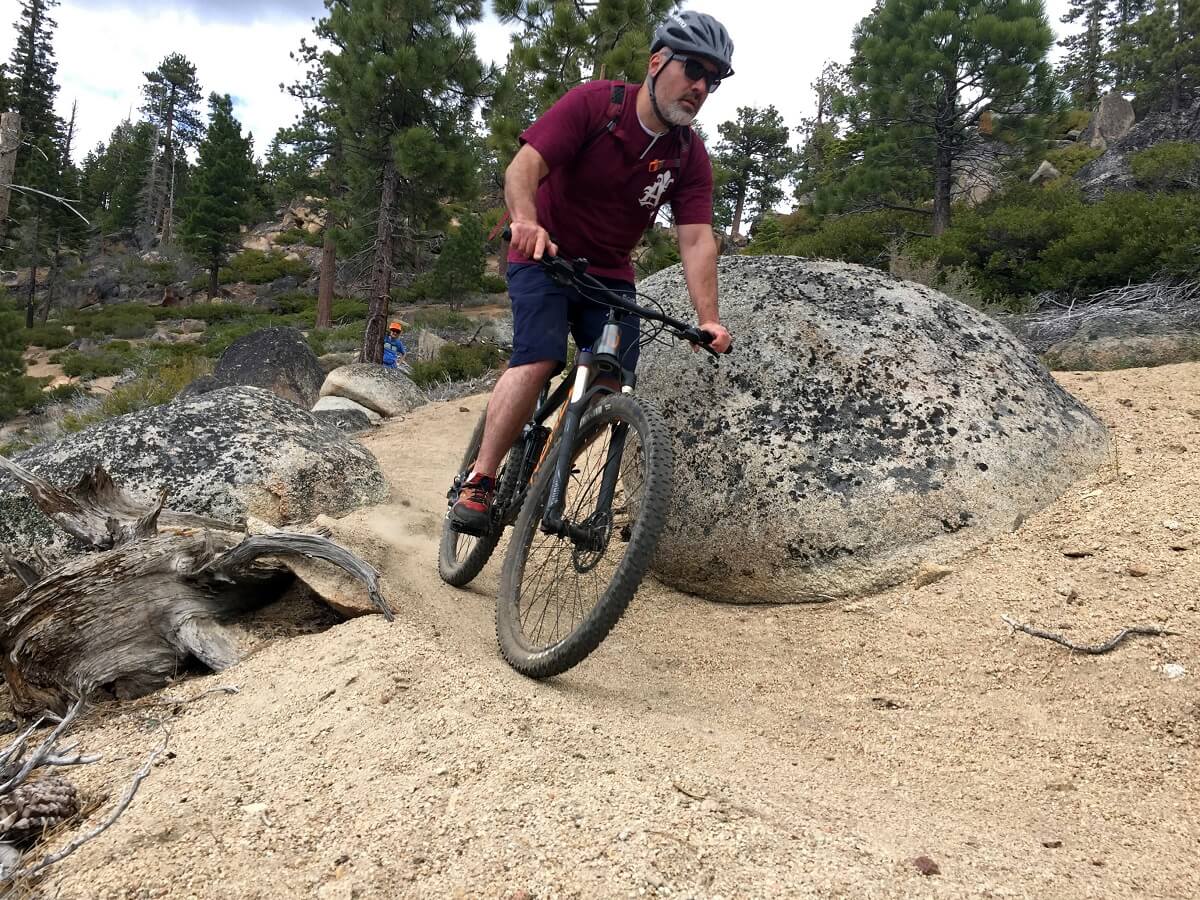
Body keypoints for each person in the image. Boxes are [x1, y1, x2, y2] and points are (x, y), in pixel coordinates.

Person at [450, 10, 735, 535]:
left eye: (711, 80)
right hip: (544, 252)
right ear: (656, 62)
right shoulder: (596, 105)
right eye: (692, 69)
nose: (700, 86)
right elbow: (524, 168)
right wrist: (526, 222)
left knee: (611, 379)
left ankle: (545, 473)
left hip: (609, 273)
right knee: (538, 359)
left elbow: (695, 238)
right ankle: (481, 478)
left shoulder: (689, 156)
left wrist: (709, 319)